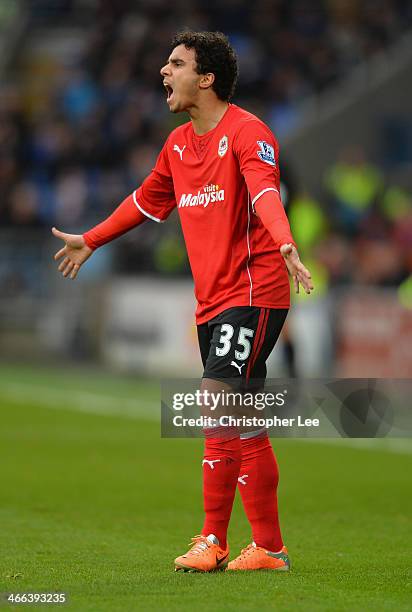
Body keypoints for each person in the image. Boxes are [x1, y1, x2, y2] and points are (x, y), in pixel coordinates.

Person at [52, 31, 313, 572]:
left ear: (207, 77)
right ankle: (268, 548)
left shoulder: (248, 132)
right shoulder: (176, 145)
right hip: (213, 300)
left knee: (216, 400)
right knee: (244, 421)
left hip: (253, 290)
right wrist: (92, 239)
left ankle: (212, 540)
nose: (164, 73)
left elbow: (265, 190)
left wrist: (285, 242)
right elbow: (145, 202)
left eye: (176, 64)